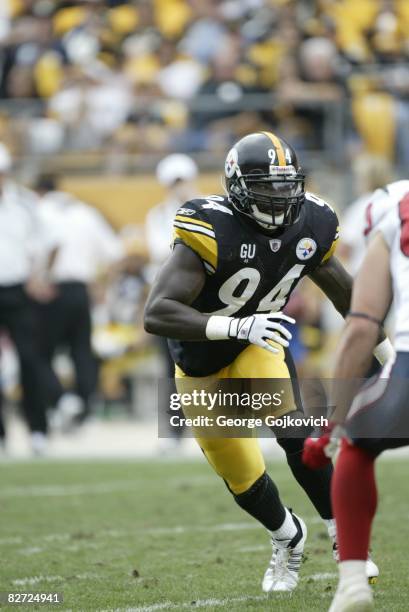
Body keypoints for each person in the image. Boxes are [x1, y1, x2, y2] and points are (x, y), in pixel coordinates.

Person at [144, 132, 387, 592]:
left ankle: (346, 539)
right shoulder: (210, 226)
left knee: (293, 429)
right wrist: (235, 326)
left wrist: (391, 355)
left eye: (285, 184)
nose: (278, 197)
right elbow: (156, 313)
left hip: (259, 342)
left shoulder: (311, 222)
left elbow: (350, 298)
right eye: (266, 186)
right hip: (200, 360)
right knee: (241, 475)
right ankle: (287, 537)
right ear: (237, 186)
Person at [303, 180, 409, 612]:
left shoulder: (390, 211)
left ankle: (352, 582)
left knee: (355, 444)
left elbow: (362, 325)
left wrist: (330, 426)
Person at [33, 175, 125, 427]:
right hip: (81, 290)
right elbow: (116, 253)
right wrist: (102, 286)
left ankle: (61, 401)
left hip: (49, 289)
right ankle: (85, 408)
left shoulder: (38, 210)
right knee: (81, 352)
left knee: (39, 352)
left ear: (39, 191)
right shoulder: (85, 212)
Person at [0, 145, 56, 454]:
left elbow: (48, 242)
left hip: (18, 290)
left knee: (30, 361)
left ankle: (38, 430)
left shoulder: (23, 204)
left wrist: (40, 275)